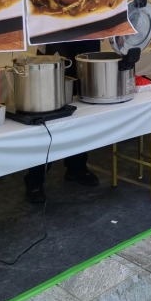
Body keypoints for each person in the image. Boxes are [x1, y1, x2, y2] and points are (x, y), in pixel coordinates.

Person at [23, 40, 100, 204]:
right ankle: (35, 179)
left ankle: (77, 166)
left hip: (87, 36)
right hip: (54, 36)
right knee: (47, 113)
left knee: (83, 108)